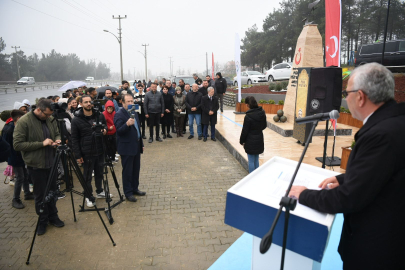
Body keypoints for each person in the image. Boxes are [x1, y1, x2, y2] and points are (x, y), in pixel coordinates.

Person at [289, 63, 405, 270]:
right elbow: (384, 171)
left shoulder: (380, 134)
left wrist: (305, 194)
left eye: (347, 92)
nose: (345, 98)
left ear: (360, 97)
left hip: (376, 251)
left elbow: (349, 197)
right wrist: (343, 178)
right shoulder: (395, 121)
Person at [13, 99, 64, 235]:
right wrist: (42, 143)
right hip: (35, 166)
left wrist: (57, 139)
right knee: (40, 196)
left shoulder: (50, 118)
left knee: (53, 193)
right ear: (38, 110)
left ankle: (53, 216)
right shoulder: (24, 121)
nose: (48, 117)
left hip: (51, 163)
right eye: (46, 115)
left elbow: (57, 132)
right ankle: (42, 221)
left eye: (50, 115)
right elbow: (17, 145)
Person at [71, 95, 111, 208]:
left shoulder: (99, 115)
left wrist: (104, 131)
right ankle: (89, 196)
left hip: (100, 150)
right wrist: (78, 155)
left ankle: (99, 191)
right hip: (86, 152)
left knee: (99, 173)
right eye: (86, 102)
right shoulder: (76, 120)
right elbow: (74, 139)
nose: (89, 104)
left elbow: (106, 128)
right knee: (87, 176)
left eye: (90, 102)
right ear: (81, 104)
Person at [114, 94, 145, 202]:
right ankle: (128, 192)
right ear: (122, 103)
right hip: (126, 147)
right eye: (128, 101)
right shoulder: (119, 115)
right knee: (127, 171)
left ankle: (135, 188)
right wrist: (126, 124)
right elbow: (119, 131)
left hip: (136, 145)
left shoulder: (134, 113)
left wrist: (141, 143)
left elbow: (137, 130)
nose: (131, 103)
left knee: (136, 169)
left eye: (132, 101)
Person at [2, 110, 34, 209]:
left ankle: (27, 193)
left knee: (25, 175)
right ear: (19, 119)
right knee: (20, 177)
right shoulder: (9, 129)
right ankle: (15, 199)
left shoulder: (14, 126)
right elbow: (6, 146)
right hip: (14, 157)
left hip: (20, 156)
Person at [239, 96, 266, 173]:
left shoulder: (248, 116)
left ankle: (251, 177)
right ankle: (256, 176)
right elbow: (264, 126)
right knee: (256, 159)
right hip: (259, 138)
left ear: (247, 105)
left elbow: (245, 131)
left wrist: (241, 141)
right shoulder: (262, 112)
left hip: (250, 140)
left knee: (251, 160)